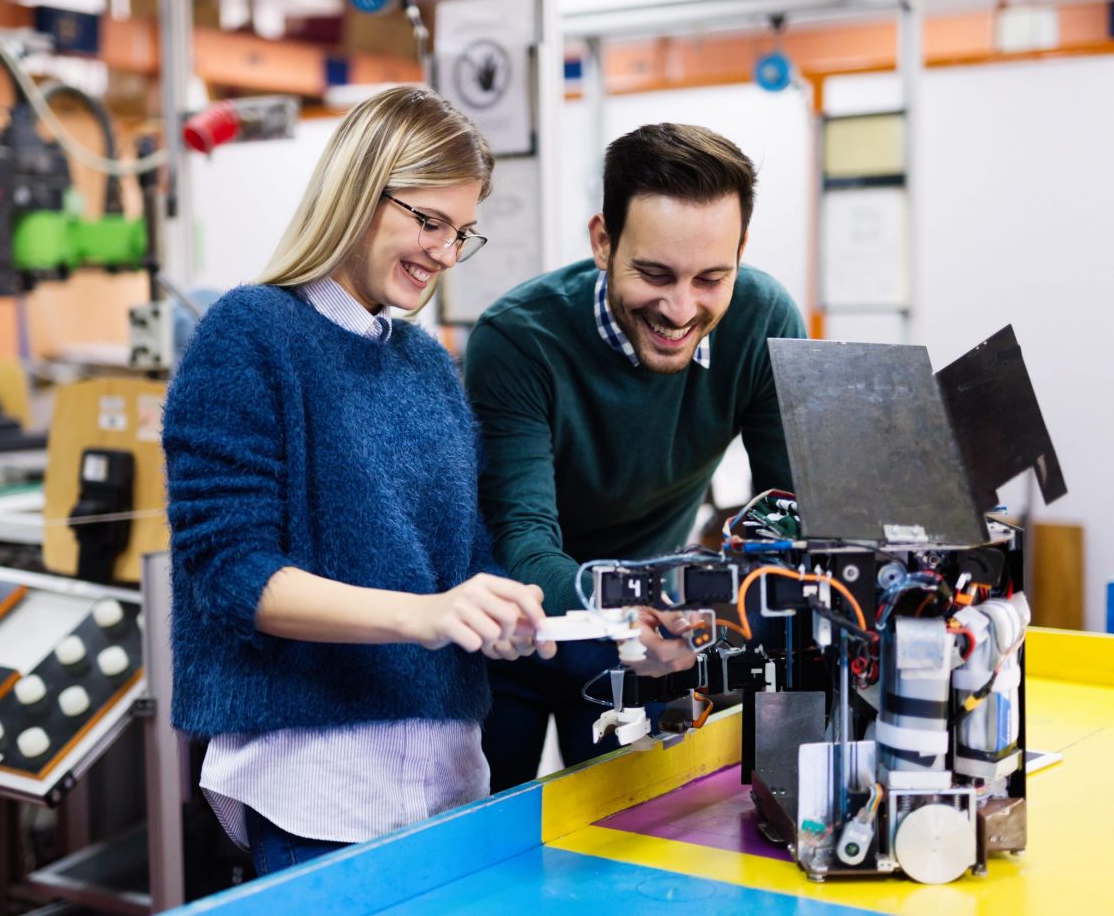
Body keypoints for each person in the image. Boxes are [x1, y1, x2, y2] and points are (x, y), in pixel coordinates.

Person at [163, 85, 556, 877]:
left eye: (462, 233)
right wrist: (427, 615)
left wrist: (516, 614)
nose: (445, 254)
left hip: (448, 778)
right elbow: (234, 578)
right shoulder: (250, 336)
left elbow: (464, 560)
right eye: (429, 221)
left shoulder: (425, 365)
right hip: (316, 788)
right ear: (358, 192)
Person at [464, 123, 806, 791]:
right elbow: (528, 542)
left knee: (633, 840)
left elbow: (786, 520)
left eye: (712, 278)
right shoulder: (517, 340)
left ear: (740, 253)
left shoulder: (764, 319)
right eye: (655, 274)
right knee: (485, 845)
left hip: (647, 635)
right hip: (519, 624)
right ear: (602, 241)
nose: (681, 309)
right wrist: (634, 608)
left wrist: (708, 618)